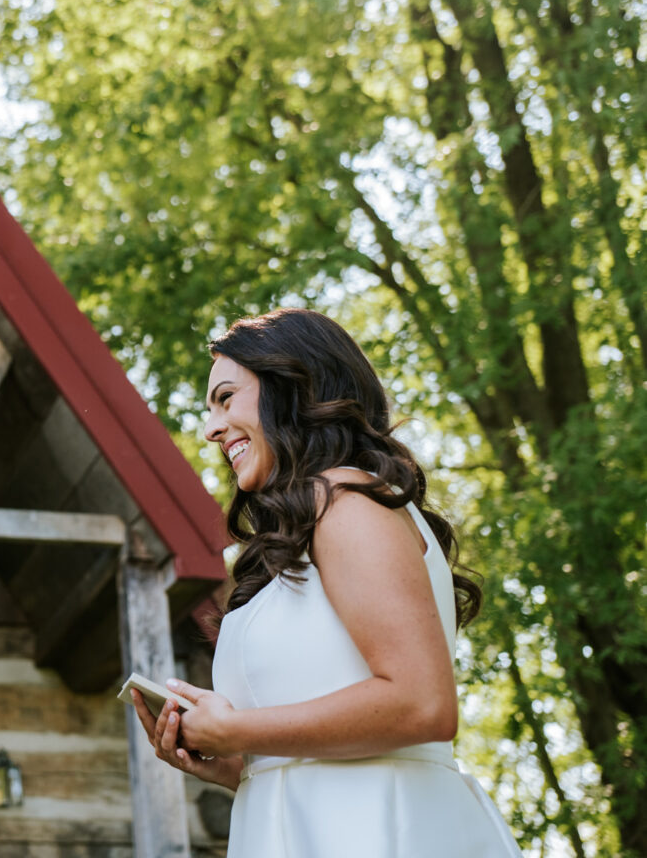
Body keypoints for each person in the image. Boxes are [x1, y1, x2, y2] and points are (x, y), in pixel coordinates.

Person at [130, 309, 520, 856]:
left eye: (225, 398)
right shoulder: (300, 530)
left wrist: (240, 731)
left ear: (292, 385)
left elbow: (422, 704)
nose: (210, 428)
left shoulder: (347, 498)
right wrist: (236, 766)